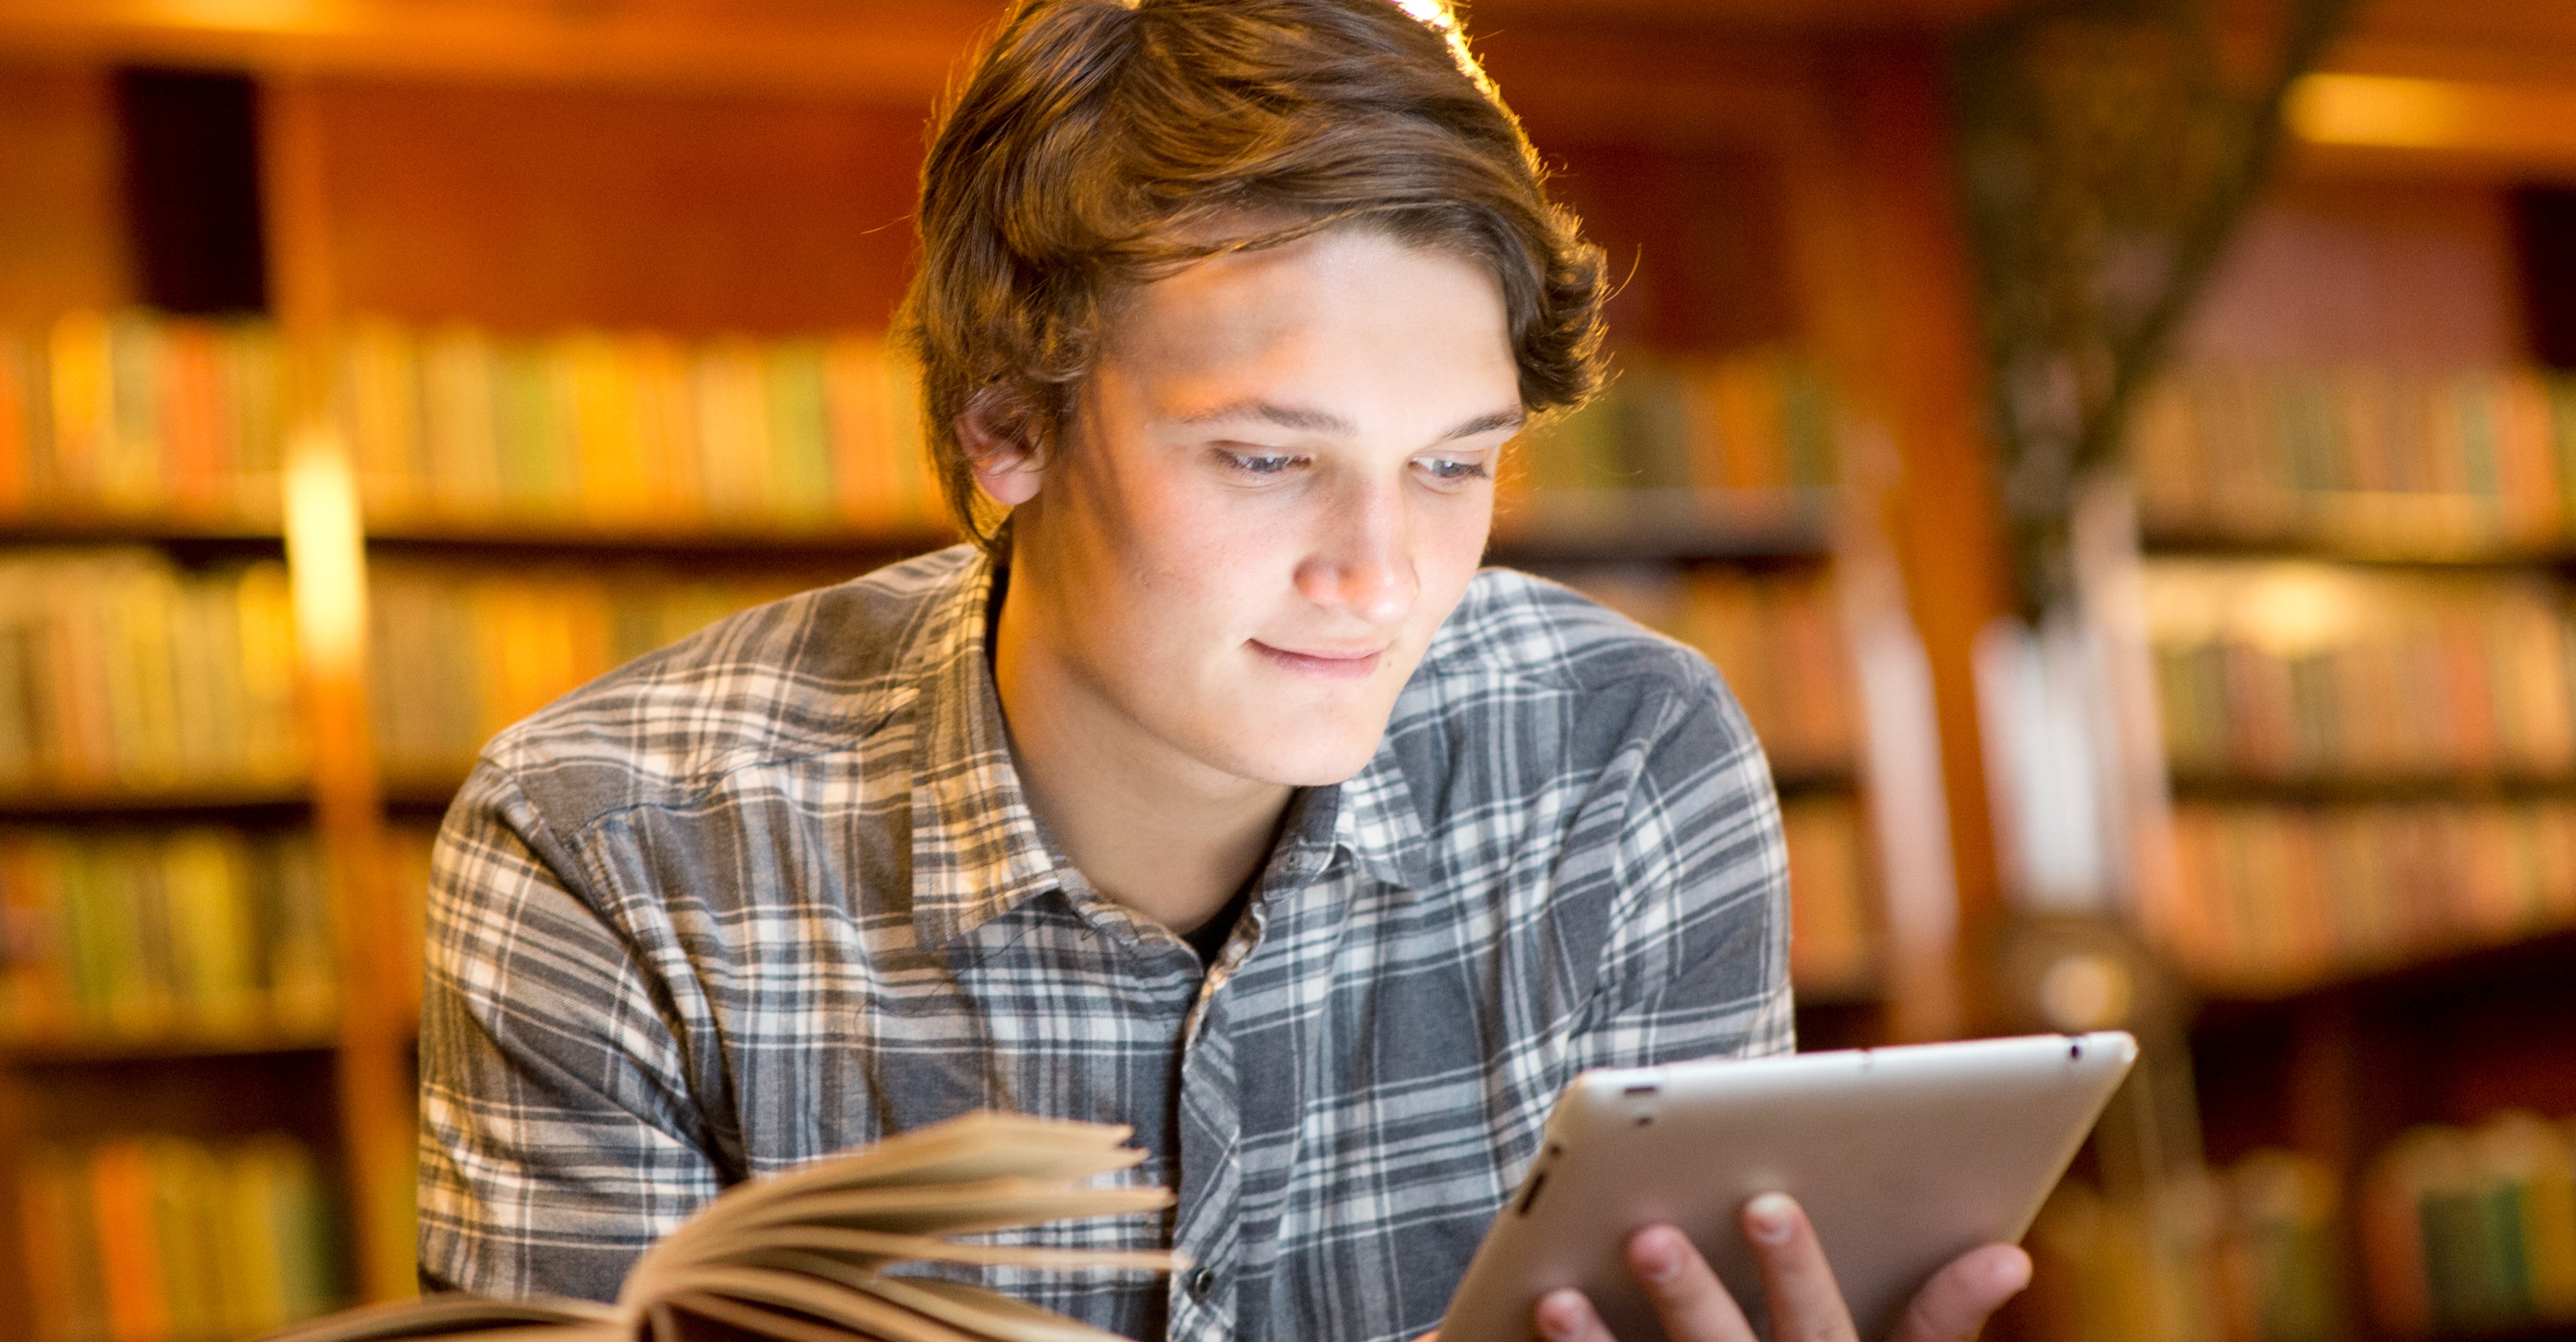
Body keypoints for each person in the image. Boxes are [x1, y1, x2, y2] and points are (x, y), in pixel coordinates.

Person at [416, 1, 2031, 1340]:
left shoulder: (1629, 762)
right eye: (1267, 460)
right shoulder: (602, 852)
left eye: (1453, 466)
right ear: (1007, 422)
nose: (1382, 578)